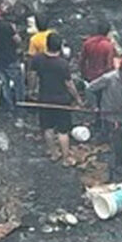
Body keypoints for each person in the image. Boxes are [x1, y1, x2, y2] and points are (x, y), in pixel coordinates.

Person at [32, 34, 84, 166]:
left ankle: (54, 153)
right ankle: (66, 158)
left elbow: (32, 75)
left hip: (44, 98)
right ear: (59, 47)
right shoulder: (62, 64)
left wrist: (32, 90)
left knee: (48, 128)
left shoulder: (38, 59)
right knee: (63, 131)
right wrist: (78, 98)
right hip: (61, 101)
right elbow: (69, 84)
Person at [86, 54, 122, 180]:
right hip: (111, 115)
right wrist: (94, 105)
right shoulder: (109, 78)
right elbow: (90, 88)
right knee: (118, 140)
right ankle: (117, 165)